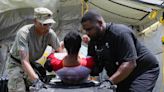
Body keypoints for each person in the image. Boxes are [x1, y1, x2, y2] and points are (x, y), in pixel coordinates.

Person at [81, 10, 159, 92]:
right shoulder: (93, 41)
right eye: (85, 30)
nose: (87, 33)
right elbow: (94, 65)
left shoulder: (120, 33)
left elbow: (130, 63)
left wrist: (109, 82)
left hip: (143, 70)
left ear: (100, 23)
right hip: (123, 74)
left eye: (89, 29)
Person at [7, 7, 63, 92]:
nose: (47, 28)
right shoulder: (24, 33)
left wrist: (63, 72)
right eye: (44, 24)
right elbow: (24, 61)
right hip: (16, 63)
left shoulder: (50, 34)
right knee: (18, 88)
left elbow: (60, 53)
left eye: (50, 24)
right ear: (35, 21)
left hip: (32, 64)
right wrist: (36, 81)